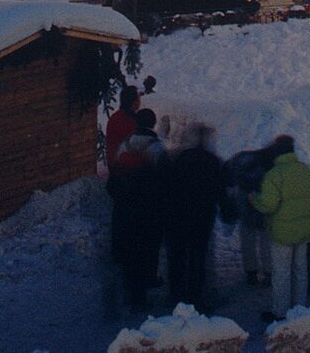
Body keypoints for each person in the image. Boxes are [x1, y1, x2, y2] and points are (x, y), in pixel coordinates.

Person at [251, 134, 310, 322]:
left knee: (281, 272)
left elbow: (268, 205)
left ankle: (280, 312)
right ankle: (300, 308)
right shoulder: (305, 170)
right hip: (304, 230)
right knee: (300, 270)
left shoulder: (275, 174)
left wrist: (254, 199)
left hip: (282, 232)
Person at [165, 124, 227, 309]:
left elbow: (170, 185)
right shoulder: (213, 161)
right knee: (198, 255)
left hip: (179, 214)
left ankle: (176, 292)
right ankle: (195, 293)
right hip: (202, 215)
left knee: (178, 253)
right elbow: (220, 190)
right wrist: (226, 210)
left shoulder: (180, 158)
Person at [112, 107, 168, 312]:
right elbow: (164, 179)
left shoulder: (125, 145)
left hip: (126, 206)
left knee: (132, 247)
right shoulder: (157, 148)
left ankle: (133, 288)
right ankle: (147, 281)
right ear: (153, 124)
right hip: (149, 207)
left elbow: (116, 174)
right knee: (149, 246)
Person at [224, 143, 277, 287]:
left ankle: (251, 273)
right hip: (263, 206)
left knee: (248, 240)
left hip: (245, 205)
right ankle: (268, 272)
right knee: (266, 241)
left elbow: (228, 172)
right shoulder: (271, 165)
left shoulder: (243, 158)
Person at [105, 85, 141, 175]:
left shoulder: (114, 117)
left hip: (114, 168)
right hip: (126, 171)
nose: (140, 101)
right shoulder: (132, 122)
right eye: (138, 98)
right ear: (134, 102)